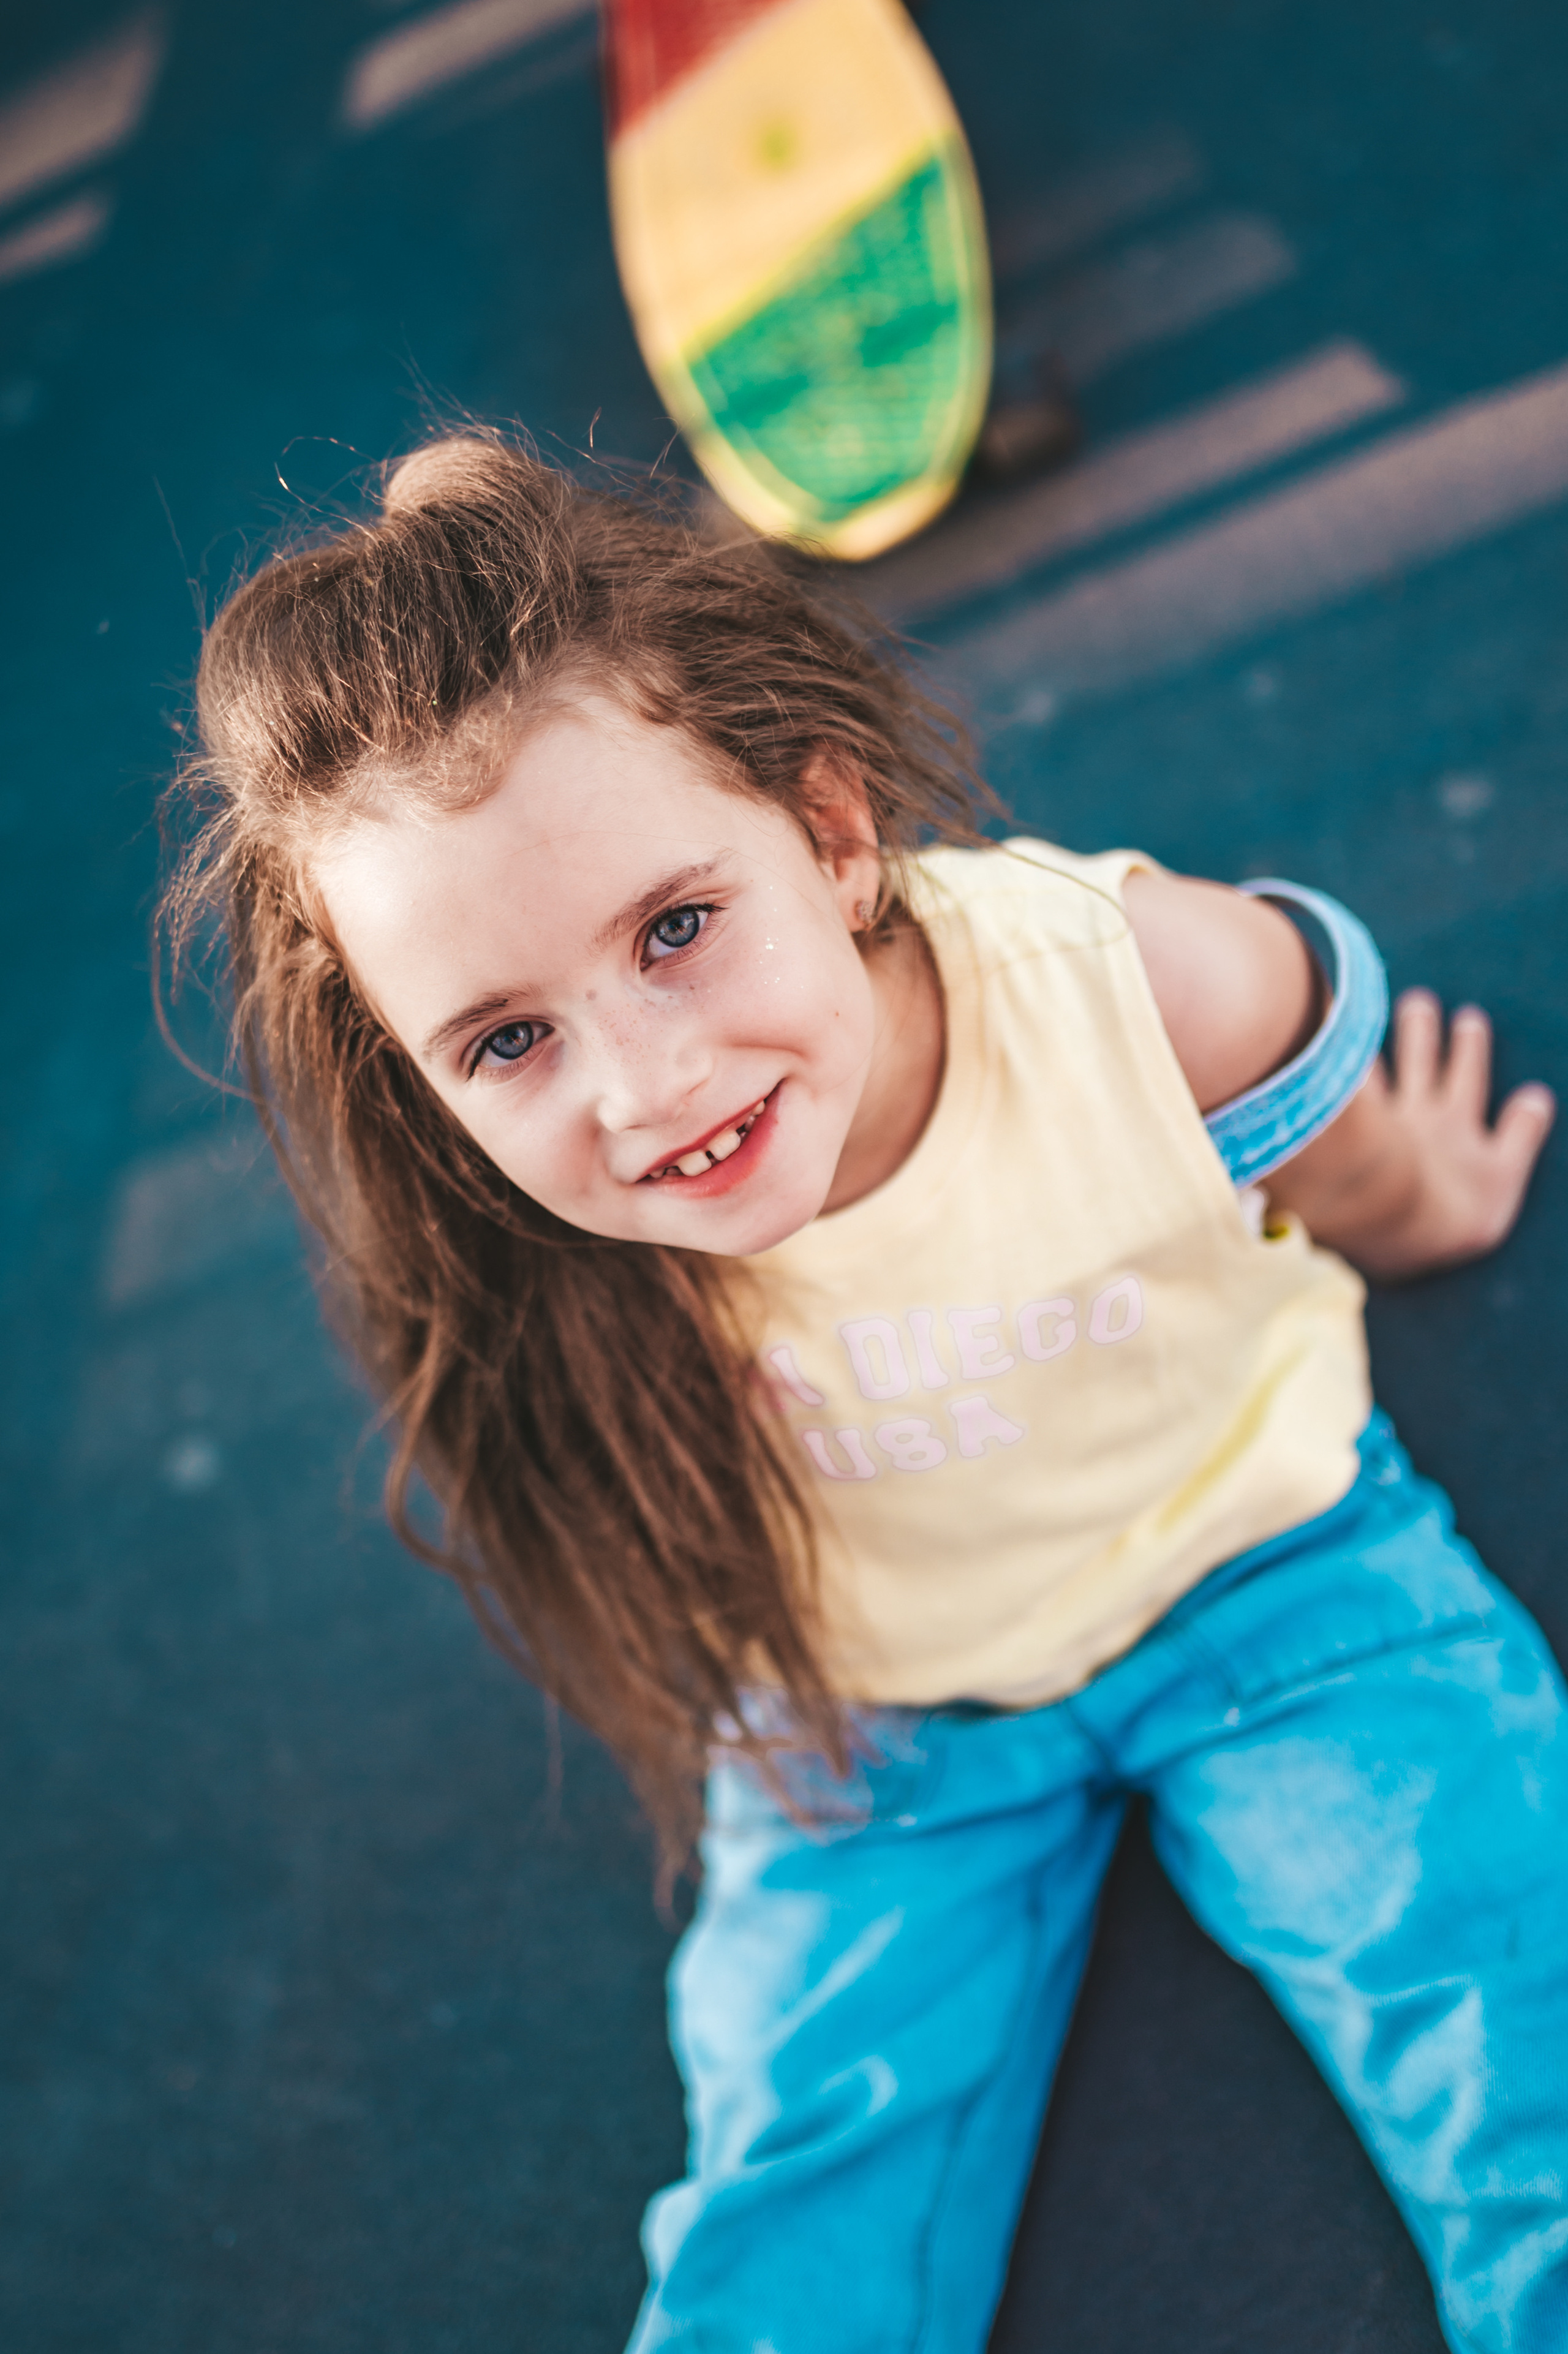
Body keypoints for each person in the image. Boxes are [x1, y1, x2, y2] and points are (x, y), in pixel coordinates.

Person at [164, 431, 1566, 2354]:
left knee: (1522, 2022)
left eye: (676, 928)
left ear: (831, 833)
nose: (648, 1085)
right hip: (869, 1722)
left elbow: (1324, 1139)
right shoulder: (522, 1255)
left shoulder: (1146, 980)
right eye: (506, 1039)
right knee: (793, 2220)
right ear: (421, 1074)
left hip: (1267, 1572)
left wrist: (1416, 1202)